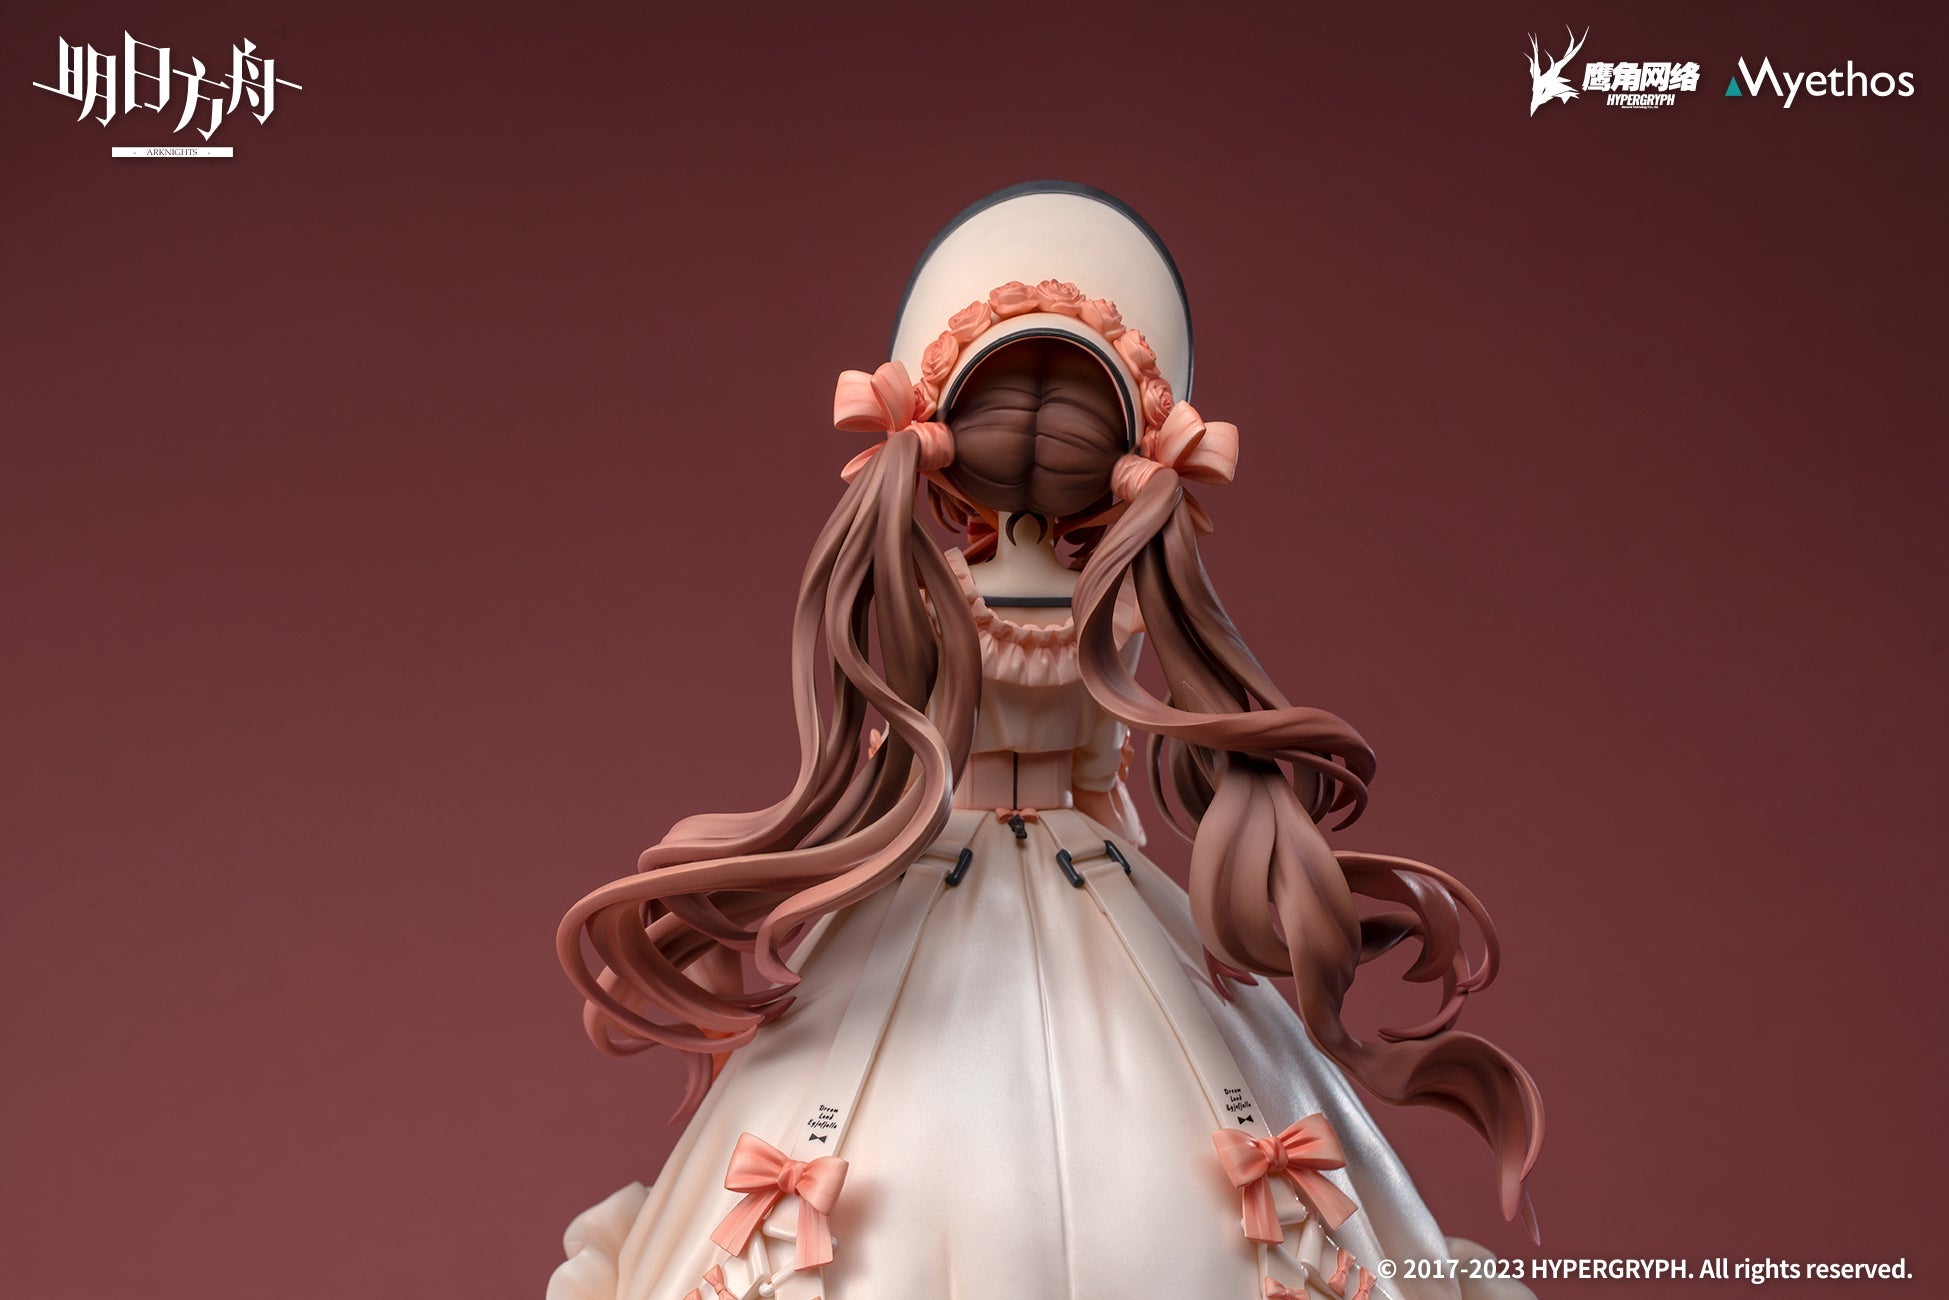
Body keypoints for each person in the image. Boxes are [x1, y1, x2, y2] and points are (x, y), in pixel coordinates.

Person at [549, 183, 1543, 1300]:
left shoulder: (931, 594)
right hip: (1101, 882)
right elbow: (1101, 777)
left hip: (931, 882)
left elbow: (900, 760)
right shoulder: (1115, 604)